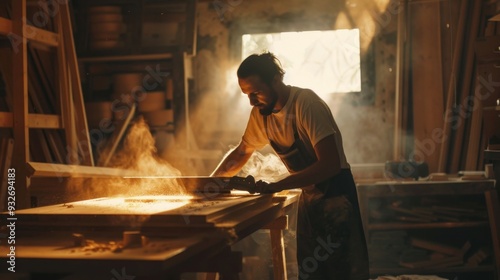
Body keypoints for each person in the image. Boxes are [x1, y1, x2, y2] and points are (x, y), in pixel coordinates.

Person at [211, 52, 369, 280]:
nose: (252, 102)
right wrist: (210, 183)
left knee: (343, 272)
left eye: (255, 93)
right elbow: (242, 152)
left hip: (336, 197)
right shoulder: (261, 115)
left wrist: (278, 185)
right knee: (311, 271)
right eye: (246, 95)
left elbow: (330, 164)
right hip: (310, 198)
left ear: (276, 80)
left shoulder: (306, 104)